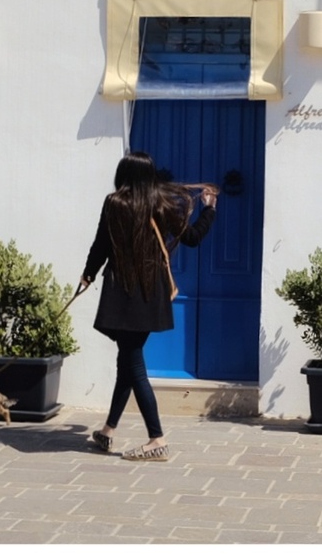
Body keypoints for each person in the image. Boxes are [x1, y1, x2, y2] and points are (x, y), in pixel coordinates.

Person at [81, 151, 218, 461]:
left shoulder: (115, 203)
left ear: (124, 174)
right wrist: (209, 210)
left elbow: (101, 243)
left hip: (123, 293)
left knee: (133, 365)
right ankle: (108, 430)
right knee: (127, 362)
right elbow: (192, 238)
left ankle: (156, 438)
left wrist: (88, 273)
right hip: (150, 293)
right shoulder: (160, 204)